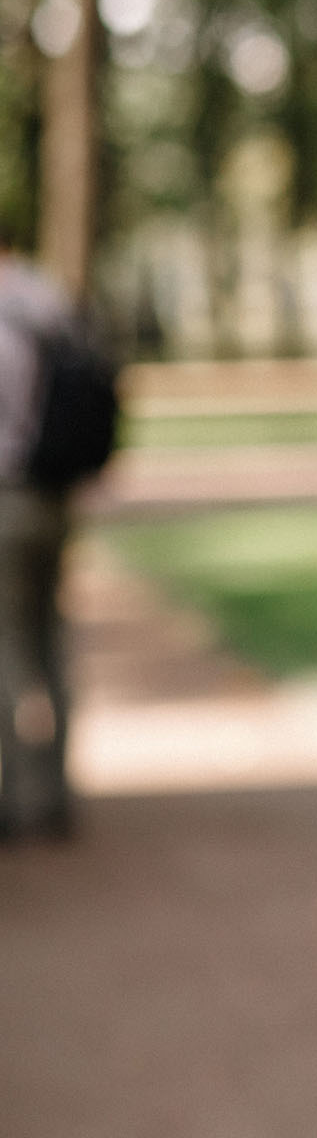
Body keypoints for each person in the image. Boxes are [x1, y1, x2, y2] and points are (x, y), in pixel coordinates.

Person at [0, 249, 77, 842]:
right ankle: (55, 791)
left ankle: (12, 796)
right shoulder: (43, 296)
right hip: (55, 494)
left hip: (7, 495)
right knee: (52, 638)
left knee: (7, 646)